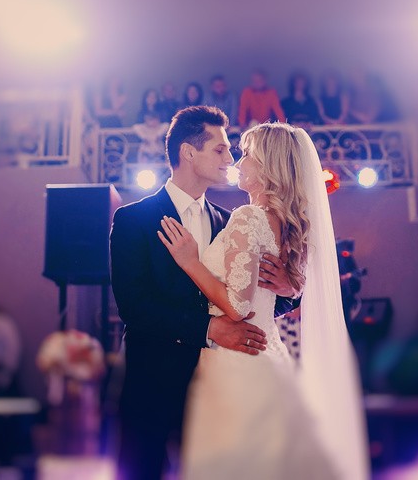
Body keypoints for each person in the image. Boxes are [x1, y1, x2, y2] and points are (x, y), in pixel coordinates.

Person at [158, 122, 368, 479]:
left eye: (247, 155)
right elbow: (275, 290)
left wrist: (191, 262)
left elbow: (239, 307)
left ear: (268, 167)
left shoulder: (248, 217)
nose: (237, 162)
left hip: (236, 360)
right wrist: (291, 288)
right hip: (267, 352)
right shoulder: (284, 222)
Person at [110, 106, 300, 480]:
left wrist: (289, 291)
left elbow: (256, 297)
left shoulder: (232, 221)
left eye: (232, 150)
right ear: (188, 152)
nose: (229, 159)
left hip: (221, 382)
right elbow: (134, 306)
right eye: (219, 149)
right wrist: (210, 330)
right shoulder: (134, 220)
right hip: (155, 378)